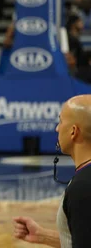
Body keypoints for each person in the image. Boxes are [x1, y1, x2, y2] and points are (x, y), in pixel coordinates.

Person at [13, 95, 91, 247]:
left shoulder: (83, 188)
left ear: (73, 131)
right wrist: (44, 236)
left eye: (61, 121)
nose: (57, 128)